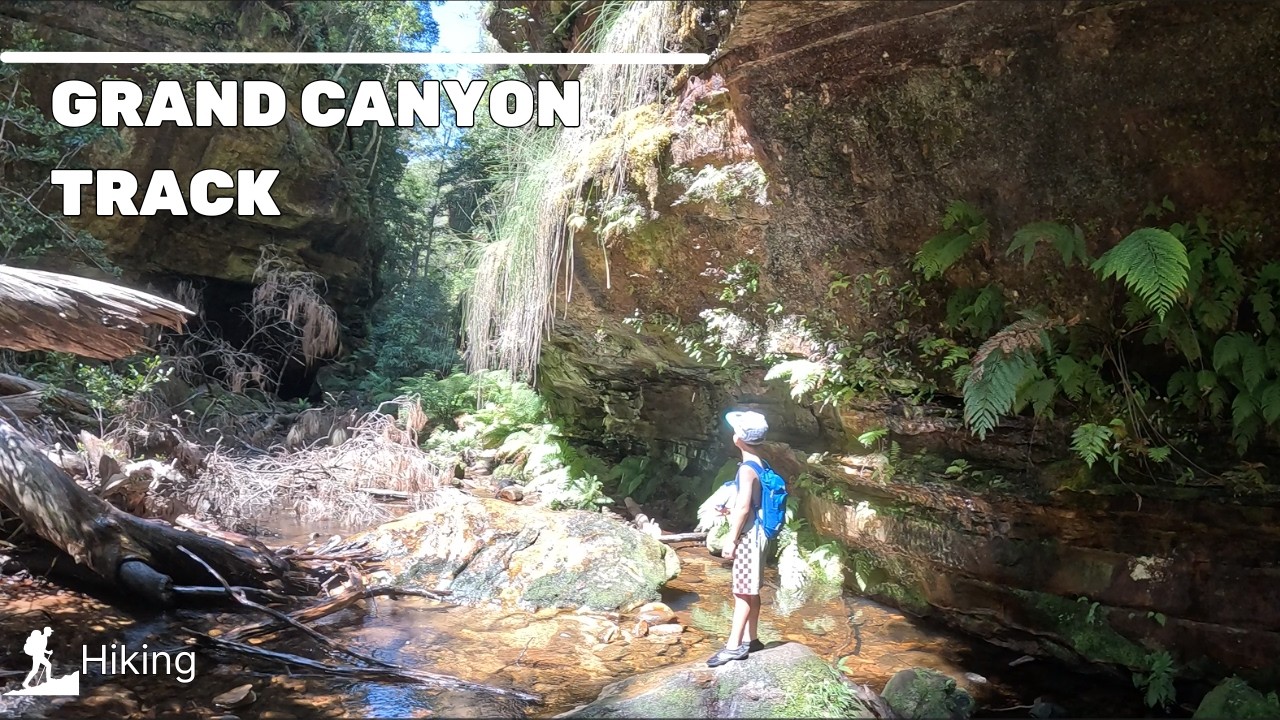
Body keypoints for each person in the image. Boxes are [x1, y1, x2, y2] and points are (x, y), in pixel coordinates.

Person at [706, 410, 770, 668]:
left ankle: (734, 647)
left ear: (739, 439)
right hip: (758, 534)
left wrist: (731, 539)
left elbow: (744, 507)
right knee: (751, 589)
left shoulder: (746, 469)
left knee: (742, 592)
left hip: (748, 538)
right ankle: (751, 639)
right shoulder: (760, 463)